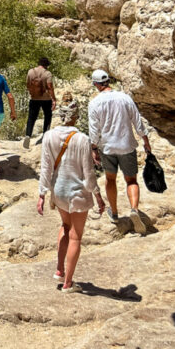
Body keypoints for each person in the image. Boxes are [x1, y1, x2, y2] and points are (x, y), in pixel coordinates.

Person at [37, 98, 105, 293]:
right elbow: (88, 172)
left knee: (65, 226)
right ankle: (68, 282)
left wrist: (42, 194)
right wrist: (98, 195)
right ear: (75, 117)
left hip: (58, 191)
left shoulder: (49, 136)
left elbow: (45, 167)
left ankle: (59, 269)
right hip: (77, 193)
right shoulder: (82, 139)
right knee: (75, 236)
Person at [88, 69, 151, 234]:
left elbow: (94, 130)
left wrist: (94, 148)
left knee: (110, 179)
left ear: (96, 84)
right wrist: (145, 141)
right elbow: (137, 121)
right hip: (126, 146)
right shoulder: (125, 98)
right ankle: (134, 210)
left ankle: (114, 213)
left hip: (107, 147)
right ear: (108, 81)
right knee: (131, 180)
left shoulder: (94, 103)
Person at [23, 56, 57, 149]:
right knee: (48, 116)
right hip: (46, 99)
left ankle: (28, 135)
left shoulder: (30, 71)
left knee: (31, 117)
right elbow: (50, 86)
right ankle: (45, 135)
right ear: (46, 65)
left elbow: (28, 84)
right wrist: (54, 99)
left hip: (34, 98)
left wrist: (32, 93)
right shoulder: (47, 73)